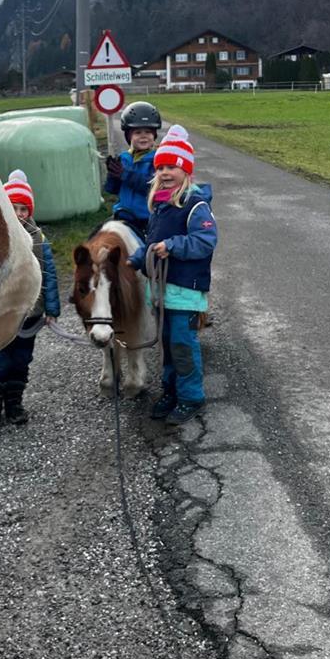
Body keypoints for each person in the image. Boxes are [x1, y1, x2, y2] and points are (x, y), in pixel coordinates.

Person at [128, 125, 217, 426]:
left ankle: (191, 396)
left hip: (186, 292)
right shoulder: (159, 207)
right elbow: (152, 245)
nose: (165, 172)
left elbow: (206, 241)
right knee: (167, 345)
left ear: (186, 171)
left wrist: (174, 246)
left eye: (172, 166)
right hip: (163, 292)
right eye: (161, 167)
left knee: (182, 344)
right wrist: (133, 261)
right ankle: (170, 390)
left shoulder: (196, 205)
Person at [0, 170, 60, 430]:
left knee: (21, 360)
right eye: (12, 207)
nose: (18, 214)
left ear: (30, 211)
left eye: (23, 209)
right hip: (1, 314)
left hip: (30, 315)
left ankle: (14, 403)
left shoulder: (39, 239)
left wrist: (52, 308)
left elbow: (49, 275)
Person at [104, 101, 162, 238]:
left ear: (154, 135)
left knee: (149, 253)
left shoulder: (159, 159)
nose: (143, 136)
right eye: (137, 132)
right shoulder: (124, 158)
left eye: (148, 132)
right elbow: (112, 190)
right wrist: (112, 176)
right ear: (129, 136)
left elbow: (152, 186)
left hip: (146, 219)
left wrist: (125, 175)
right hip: (122, 215)